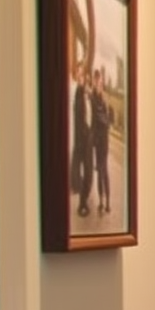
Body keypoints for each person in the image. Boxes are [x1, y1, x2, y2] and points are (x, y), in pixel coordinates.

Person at [70, 61, 92, 217]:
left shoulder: (88, 94)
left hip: (89, 139)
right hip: (79, 140)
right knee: (76, 173)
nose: (80, 76)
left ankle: (83, 201)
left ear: (85, 76)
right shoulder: (78, 92)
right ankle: (81, 203)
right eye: (78, 74)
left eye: (82, 74)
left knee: (89, 174)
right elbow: (77, 116)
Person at [90, 67, 111, 215]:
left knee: (103, 169)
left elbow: (107, 120)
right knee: (100, 170)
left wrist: (105, 121)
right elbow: (97, 118)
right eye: (96, 80)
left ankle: (107, 201)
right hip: (98, 141)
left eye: (99, 81)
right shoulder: (93, 98)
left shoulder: (103, 100)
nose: (98, 83)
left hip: (104, 140)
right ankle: (102, 201)